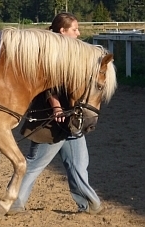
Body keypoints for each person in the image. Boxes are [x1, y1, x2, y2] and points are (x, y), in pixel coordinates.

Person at [8, 12, 103, 215]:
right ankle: (13, 201)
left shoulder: (71, 51)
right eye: (74, 29)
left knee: (78, 163)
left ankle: (88, 204)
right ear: (62, 31)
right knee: (35, 163)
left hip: (70, 118)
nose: (78, 33)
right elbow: (47, 85)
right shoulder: (51, 52)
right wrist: (56, 106)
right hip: (52, 118)